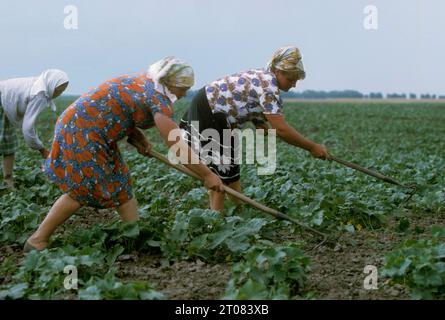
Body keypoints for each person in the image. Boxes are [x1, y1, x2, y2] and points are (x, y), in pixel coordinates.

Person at [25, 57, 224, 252]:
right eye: (184, 88)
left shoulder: (145, 83)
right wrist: (207, 174)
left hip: (90, 131)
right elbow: (176, 143)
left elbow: (119, 109)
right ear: (172, 84)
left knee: (121, 184)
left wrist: (138, 138)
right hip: (82, 133)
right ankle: (37, 239)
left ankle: (135, 236)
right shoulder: (158, 99)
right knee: (83, 188)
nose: (186, 92)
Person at [180, 46, 330, 211]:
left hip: (215, 111)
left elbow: (245, 98)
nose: (294, 84)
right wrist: (312, 147)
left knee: (231, 169)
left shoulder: (264, 77)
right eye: (291, 79)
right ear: (278, 72)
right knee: (220, 172)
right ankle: (215, 221)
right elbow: (282, 130)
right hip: (210, 112)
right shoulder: (269, 88)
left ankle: (240, 209)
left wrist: (258, 121)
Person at [0, 69, 69, 188]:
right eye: (59, 89)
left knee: (9, 145)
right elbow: (27, 128)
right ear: (52, 84)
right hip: (2, 102)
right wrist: (42, 150)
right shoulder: (39, 94)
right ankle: (8, 182)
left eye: (62, 91)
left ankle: (8, 182)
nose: (60, 93)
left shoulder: (40, 85)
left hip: (5, 105)